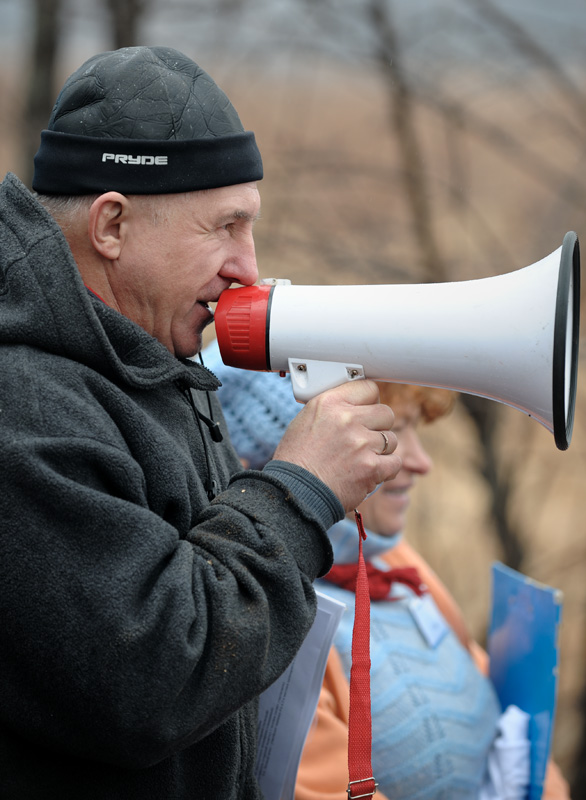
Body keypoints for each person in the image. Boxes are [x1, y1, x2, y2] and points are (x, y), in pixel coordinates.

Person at [0, 46, 403, 800]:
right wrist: (297, 494)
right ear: (112, 225)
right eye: (223, 228)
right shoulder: (22, 406)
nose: (247, 268)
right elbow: (150, 676)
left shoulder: (146, 360)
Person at [202, 340, 571, 800]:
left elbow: (496, 698)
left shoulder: (392, 560)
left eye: (416, 430)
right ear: (311, 451)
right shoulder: (266, 605)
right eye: (389, 434)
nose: (421, 462)